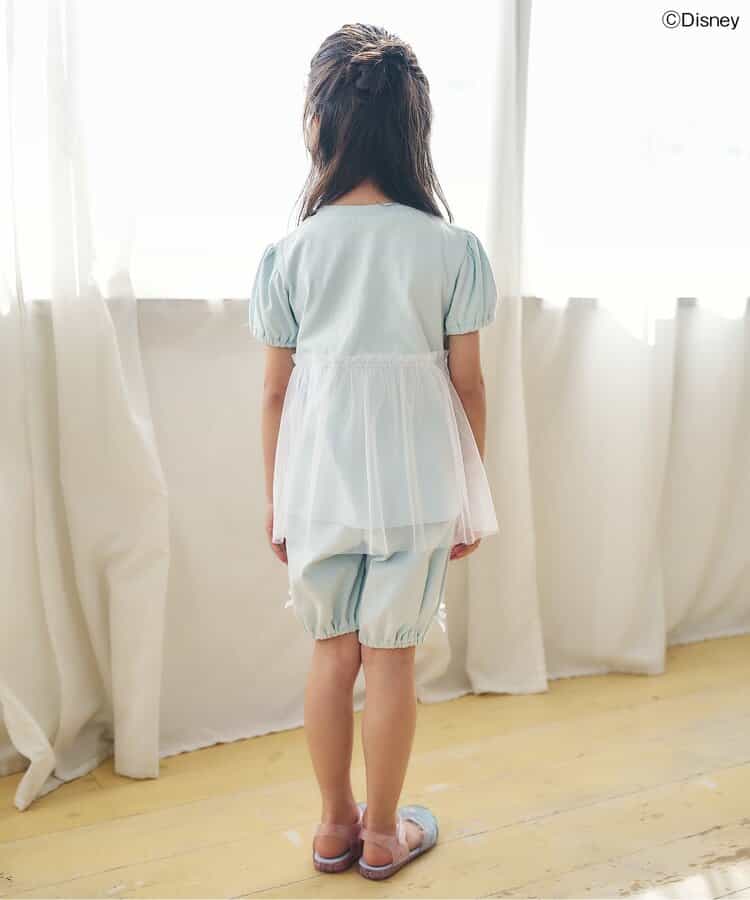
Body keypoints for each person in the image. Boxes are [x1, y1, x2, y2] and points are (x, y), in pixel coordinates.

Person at [249, 23, 499, 881]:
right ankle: (385, 833)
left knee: (332, 651)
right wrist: (469, 493)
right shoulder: (451, 249)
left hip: (318, 486)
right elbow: (468, 386)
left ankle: (332, 827)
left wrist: (278, 498)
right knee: (392, 657)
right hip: (419, 485)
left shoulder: (290, 253)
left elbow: (275, 392)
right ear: (413, 129)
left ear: (319, 124)